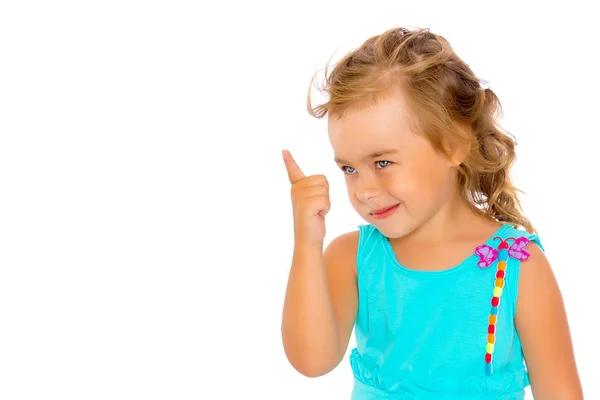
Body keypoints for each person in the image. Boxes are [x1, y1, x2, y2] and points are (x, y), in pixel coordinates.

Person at [280, 26, 583, 399]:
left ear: (452, 146)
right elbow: (312, 362)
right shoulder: (353, 259)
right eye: (349, 169)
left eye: (384, 162)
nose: (364, 190)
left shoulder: (518, 265)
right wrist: (306, 244)